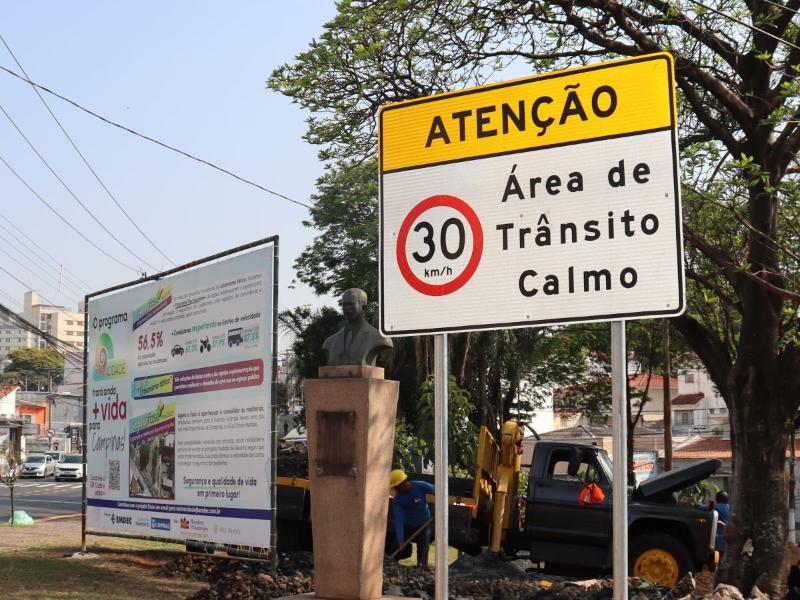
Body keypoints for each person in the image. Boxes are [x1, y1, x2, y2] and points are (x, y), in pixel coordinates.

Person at [322, 288, 393, 366]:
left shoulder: (379, 337)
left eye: (351, 304)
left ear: (363, 308)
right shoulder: (330, 342)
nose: (347, 308)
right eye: (344, 304)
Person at [390, 469, 434, 567]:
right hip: (407, 525)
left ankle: (421, 568)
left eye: (396, 488)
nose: (396, 491)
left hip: (424, 523)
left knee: (423, 547)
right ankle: (391, 565)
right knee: (396, 545)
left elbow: (438, 491)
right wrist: (401, 540)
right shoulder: (397, 501)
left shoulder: (420, 486)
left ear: (403, 483)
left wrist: (440, 507)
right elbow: (399, 520)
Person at [714, 490, 731, 555]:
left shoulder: (716, 506)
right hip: (730, 541)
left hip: (720, 540)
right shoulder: (731, 507)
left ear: (717, 499)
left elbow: (702, 508)